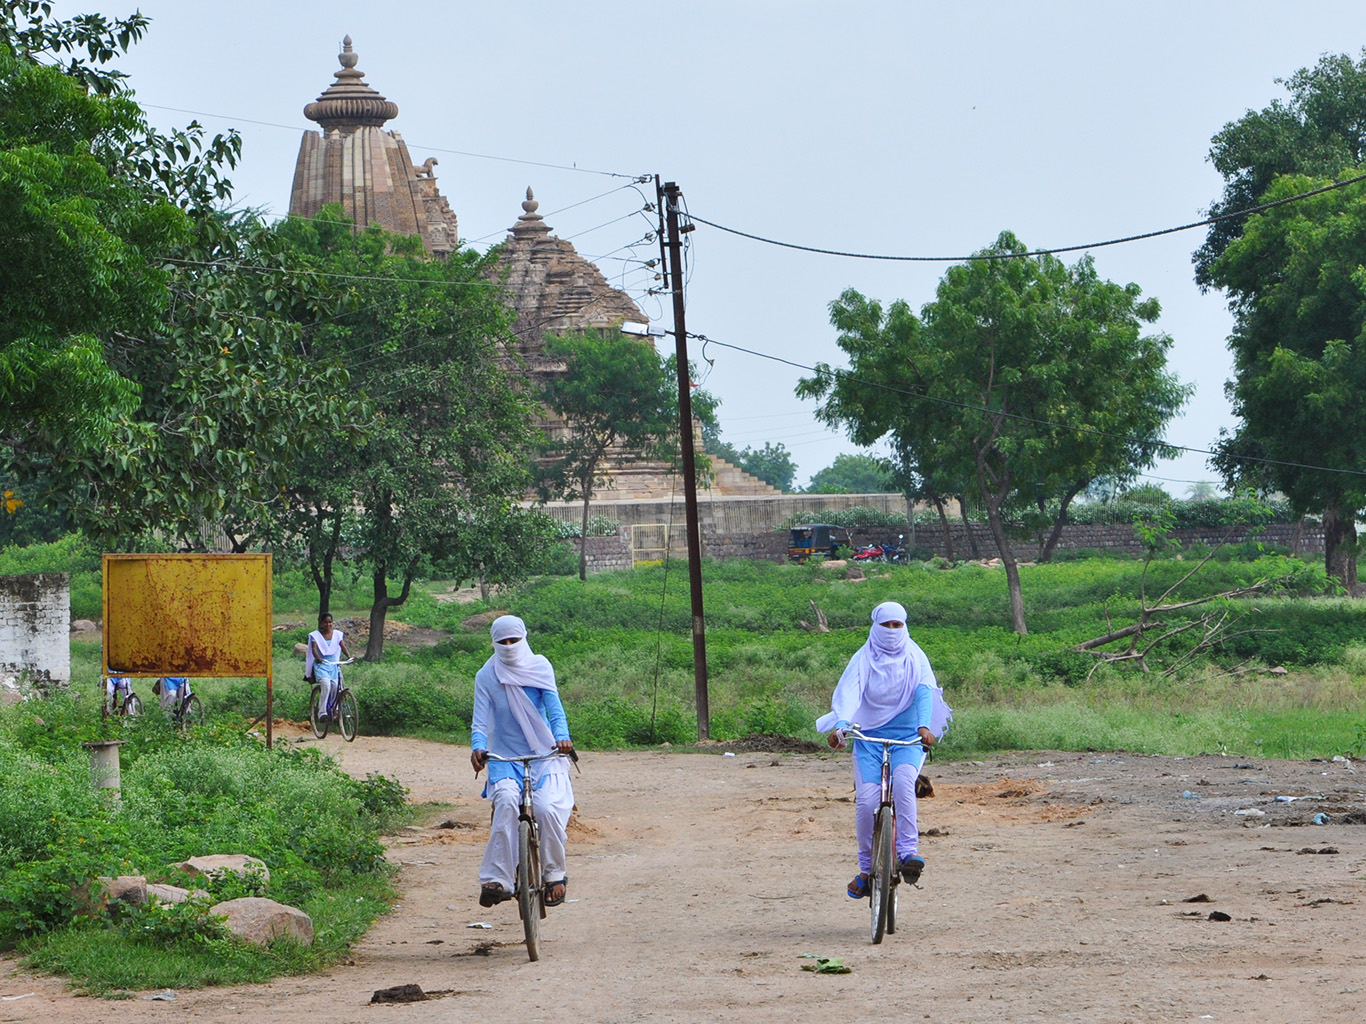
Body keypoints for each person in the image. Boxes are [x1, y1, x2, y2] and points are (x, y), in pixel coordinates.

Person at [818, 600, 952, 899]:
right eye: (886, 625)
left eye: (897, 625)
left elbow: (923, 692)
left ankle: (907, 854)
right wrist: (842, 725)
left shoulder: (916, 657)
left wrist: (923, 726)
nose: (892, 631)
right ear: (874, 627)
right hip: (868, 736)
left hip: (909, 735)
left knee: (904, 784)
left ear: (905, 626)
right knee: (866, 803)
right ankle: (866, 871)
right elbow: (849, 693)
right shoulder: (863, 659)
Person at [470, 615, 574, 909]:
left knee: (546, 809)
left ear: (524, 639)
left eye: (514, 640)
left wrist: (562, 738)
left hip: (544, 753)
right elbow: (479, 722)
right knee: (504, 802)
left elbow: (555, 710)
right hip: (505, 756)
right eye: (502, 642)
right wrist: (478, 748)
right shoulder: (486, 676)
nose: (509, 647)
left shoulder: (540, 666)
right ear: (493, 644)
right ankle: (498, 878)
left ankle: (555, 875)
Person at [306, 613, 351, 719]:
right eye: (325, 622)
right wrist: (317, 658)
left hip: (333, 665)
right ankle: (322, 713)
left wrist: (349, 657)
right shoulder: (315, 636)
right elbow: (314, 649)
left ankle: (334, 709)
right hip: (322, 665)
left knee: (335, 686)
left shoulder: (337, 635)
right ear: (321, 623)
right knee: (326, 685)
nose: (328, 624)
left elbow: (342, 646)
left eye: (330, 622)